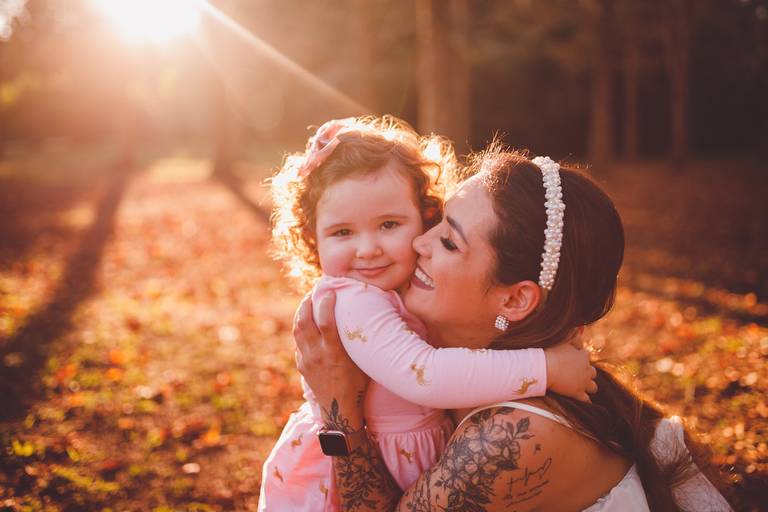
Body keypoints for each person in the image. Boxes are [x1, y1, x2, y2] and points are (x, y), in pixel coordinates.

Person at [294, 147, 734, 511]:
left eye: (448, 241)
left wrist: (340, 414)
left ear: (515, 299)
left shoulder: (506, 439)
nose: (418, 243)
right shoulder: (474, 363)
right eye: (436, 222)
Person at [259, 118, 597, 511]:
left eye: (389, 225)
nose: (368, 249)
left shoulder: (392, 291)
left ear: (423, 215)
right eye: (342, 233)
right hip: (336, 481)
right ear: (312, 239)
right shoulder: (354, 300)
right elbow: (424, 373)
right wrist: (545, 367)